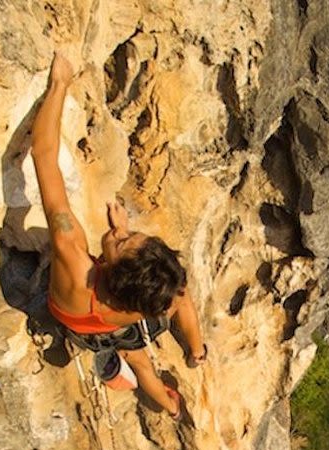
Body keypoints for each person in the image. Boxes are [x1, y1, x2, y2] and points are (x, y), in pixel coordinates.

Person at [31, 52, 206, 420]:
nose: (122, 233)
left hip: (79, 325)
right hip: (111, 327)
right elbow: (152, 291)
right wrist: (121, 239)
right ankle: (192, 362)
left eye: (124, 241)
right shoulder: (140, 304)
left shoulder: (72, 253)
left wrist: (60, 83)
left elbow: (43, 155)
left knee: (141, 360)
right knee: (171, 306)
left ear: (114, 271)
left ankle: (151, 389)